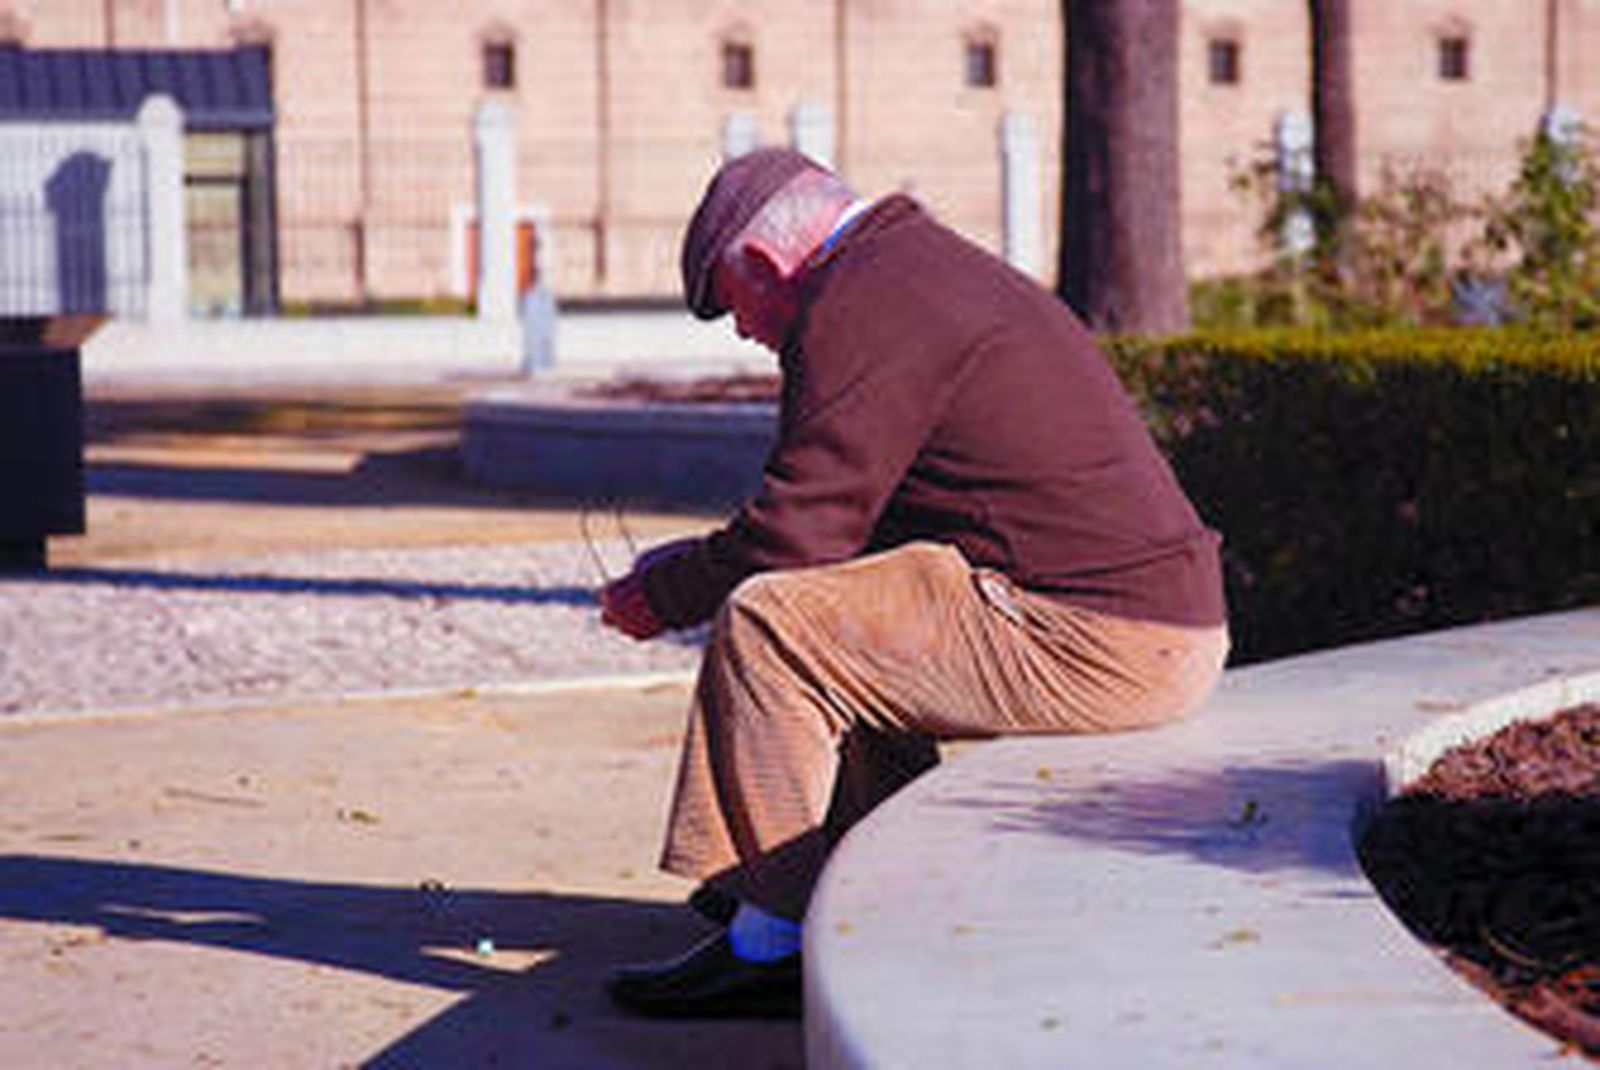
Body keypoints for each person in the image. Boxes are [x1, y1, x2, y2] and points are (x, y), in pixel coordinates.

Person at [598, 148, 1228, 1019]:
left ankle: (771, 938)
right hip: (1139, 624)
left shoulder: (859, 301)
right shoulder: (910, 269)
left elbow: (793, 534)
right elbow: (836, 532)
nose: (744, 333)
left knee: (772, 623)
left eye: (734, 308)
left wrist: (662, 592)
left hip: (1101, 642)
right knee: (837, 607)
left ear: (763, 265)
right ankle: (839, 879)